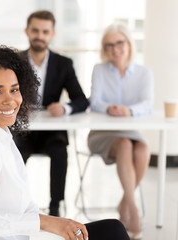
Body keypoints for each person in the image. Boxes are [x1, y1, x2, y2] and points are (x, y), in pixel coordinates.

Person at [0, 45, 129, 240]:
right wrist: (45, 222)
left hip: (26, 234)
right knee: (113, 232)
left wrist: (50, 224)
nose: (10, 100)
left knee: (112, 229)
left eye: (14, 90)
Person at [14, 10, 89, 217]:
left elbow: (82, 100)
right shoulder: (14, 62)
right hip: (23, 130)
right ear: (27, 31)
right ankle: (15, 204)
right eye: (35, 30)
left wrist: (65, 108)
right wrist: (16, 104)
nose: (40, 35)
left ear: (52, 34)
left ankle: (55, 207)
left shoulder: (63, 64)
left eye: (45, 31)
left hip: (51, 132)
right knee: (13, 151)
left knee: (60, 151)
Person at [88, 23, 154, 239]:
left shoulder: (144, 73)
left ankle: (125, 202)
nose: (114, 49)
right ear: (104, 49)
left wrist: (128, 110)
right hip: (103, 133)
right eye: (109, 45)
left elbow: (148, 104)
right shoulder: (99, 70)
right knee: (125, 145)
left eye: (119, 43)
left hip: (131, 131)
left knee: (143, 148)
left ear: (128, 44)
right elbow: (94, 101)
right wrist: (109, 108)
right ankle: (133, 210)